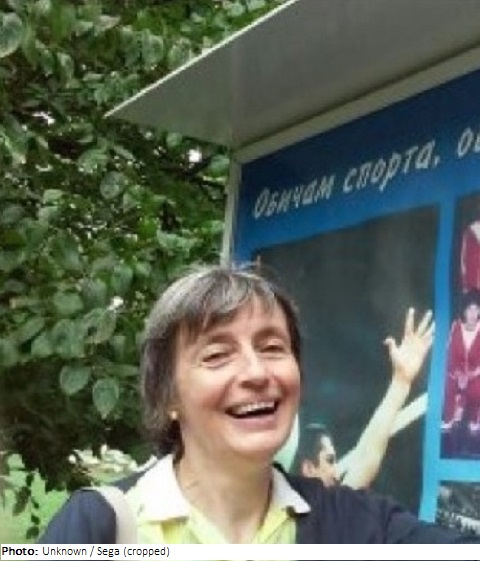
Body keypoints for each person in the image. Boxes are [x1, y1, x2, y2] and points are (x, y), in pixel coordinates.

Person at [39, 265, 479, 543]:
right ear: (167, 395)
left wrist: (402, 382)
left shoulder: (357, 525)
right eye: (217, 355)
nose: (256, 372)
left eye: (272, 348)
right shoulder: (100, 525)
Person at [294, 308, 433, 489]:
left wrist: (401, 381)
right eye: (330, 460)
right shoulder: (281, 502)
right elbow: (365, 458)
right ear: (308, 468)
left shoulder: (333, 504)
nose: (336, 473)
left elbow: (366, 456)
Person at [442, 289, 480, 437]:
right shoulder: (455, 326)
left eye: (477, 309)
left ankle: (474, 416)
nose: (473, 314)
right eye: (469, 309)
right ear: (464, 310)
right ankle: (450, 415)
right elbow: (450, 354)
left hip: (476, 373)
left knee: (477, 390)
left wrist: (472, 374)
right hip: (457, 372)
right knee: (447, 383)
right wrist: (457, 373)